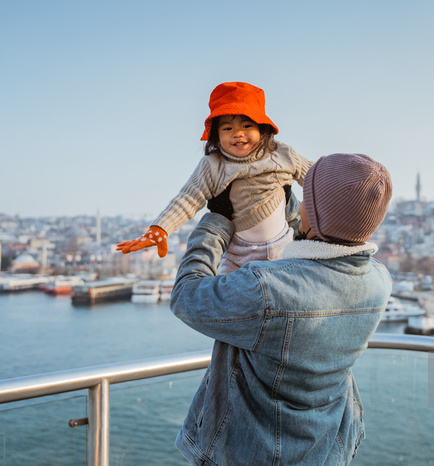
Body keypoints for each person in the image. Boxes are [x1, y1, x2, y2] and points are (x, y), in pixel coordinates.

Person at [170, 153, 393, 465]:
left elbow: (185, 295)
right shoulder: (378, 281)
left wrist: (216, 220)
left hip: (253, 453)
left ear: (314, 217)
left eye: (306, 200)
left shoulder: (266, 289)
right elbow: (309, 250)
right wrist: (278, 201)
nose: (300, 202)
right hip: (327, 448)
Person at [116, 81, 313, 274]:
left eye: (246, 125)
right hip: (239, 256)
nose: (238, 133)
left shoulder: (282, 154)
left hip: (286, 249)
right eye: (227, 128)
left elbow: (317, 179)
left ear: (262, 129)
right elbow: (188, 198)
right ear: (216, 136)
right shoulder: (213, 165)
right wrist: (160, 229)